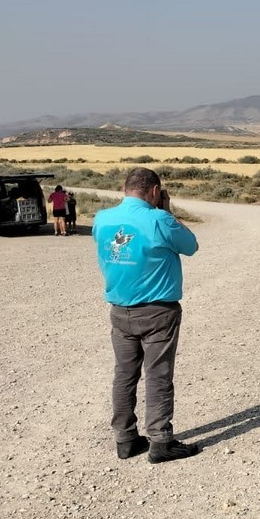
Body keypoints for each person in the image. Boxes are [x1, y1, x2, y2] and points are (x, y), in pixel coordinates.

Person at [93, 168, 200, 464]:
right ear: (154, 191)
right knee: (158, 375)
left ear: (125, 188)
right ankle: (160, 440)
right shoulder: (159, 219)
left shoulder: (102, 219)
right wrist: (166, 211)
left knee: (124, 375)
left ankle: (125, 438)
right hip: (157, 311)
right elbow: (191, 246)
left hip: (119, 309)